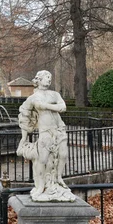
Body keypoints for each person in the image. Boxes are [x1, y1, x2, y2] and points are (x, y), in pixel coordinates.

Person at [16, 70, 75, 202]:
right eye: (47, 78)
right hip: (45, 130)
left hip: (59, 128)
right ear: (39, 79)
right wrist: (24, 138)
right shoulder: (32, 98)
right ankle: (41, 186)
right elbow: (24, 116)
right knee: (43, 159)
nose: (49, 80)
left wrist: (45, 106)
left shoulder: (54, 94)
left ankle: (59, 178)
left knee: (63, 155)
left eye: (50, 78)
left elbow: (63, 107)